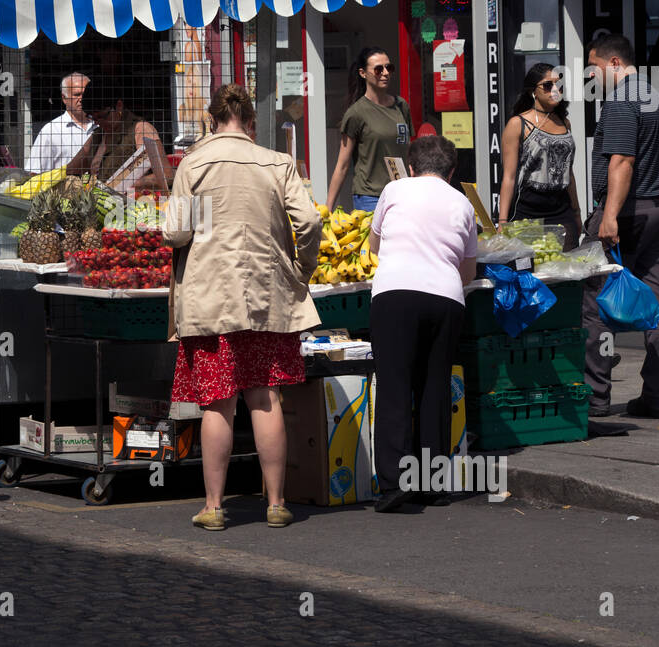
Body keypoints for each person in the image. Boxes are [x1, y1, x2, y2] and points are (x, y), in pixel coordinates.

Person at [163, 84, 321, 531]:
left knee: (218, 403)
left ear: (212, 120)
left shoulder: (194, 163)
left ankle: (214, 507)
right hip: (268, 295)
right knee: (265, 396)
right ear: (250, 122)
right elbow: (308, 221)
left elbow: (176, 234)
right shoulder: (277, 162)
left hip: (211, 295)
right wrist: (300, 266)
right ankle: (276, 503)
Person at [366, 135, 477, 513]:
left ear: (411, 167)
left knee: (395, 386)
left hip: (394, 293)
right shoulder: (463, 203)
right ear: (451, 170)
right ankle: (432, 482)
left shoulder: (394, 189)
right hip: (445, 297)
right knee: (435, 388)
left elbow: (375, 247)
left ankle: (396, 483)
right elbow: (468, 270)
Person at [582, 33, 659, 420]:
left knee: (596, 305)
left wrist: (608, 216)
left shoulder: (623, 101)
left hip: (628, 214)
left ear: (615, 64)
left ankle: (596, 397)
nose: (593, 75)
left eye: (595, 68)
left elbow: (622, 162)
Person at [497, 63, 582, 250]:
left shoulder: (565, 123)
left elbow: (569, 172)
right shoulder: (517, 124)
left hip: (562, 212)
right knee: (531, 271)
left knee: (566, 270)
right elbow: (509, 177)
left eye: (559, 85)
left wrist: (576, 212)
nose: (555, 90)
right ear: (532, 91)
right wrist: (502, 220)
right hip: (527, 212)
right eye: (547, 85)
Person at [326, 46, 413, 213]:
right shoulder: (356, 113)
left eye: (389, 67)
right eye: (378, 69)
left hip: (402, 194)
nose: (386, 73)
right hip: (370, 197)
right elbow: (342, 165)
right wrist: (328, 209)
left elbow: (410, 153)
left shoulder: (402, 106)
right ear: (363, 73)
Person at [71, 86, 173, 190]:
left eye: (102, 116)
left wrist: (123, 186)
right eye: (93, 118)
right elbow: (72, 170)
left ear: (119, 106)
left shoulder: (141, 129)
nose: (98, 122)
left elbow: (167, 175)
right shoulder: (97, 136)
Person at [25, 72, 95, 174]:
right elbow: (35, 174)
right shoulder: (51, 131)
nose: (81, 99)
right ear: (64, 98)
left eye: (85, 94)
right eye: (77, 94)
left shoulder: (102, 125)